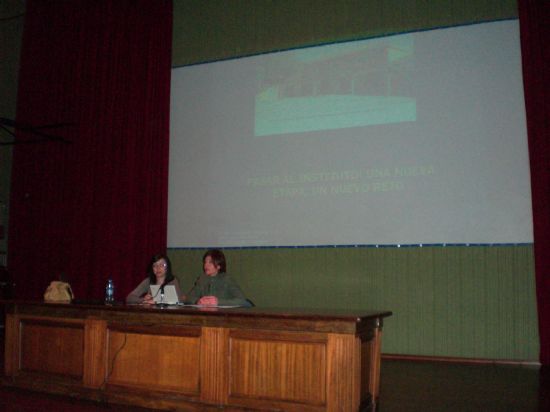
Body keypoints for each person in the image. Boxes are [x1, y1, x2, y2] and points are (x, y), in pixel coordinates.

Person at [185, 249, 250, 307]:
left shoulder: (227, 279)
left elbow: (241, 300)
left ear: (219, 266)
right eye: (205, 262)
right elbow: (189, 298)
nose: (206, 265)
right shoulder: (202, 279)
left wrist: (218, 302)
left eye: (210, 262)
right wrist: (198, 301)